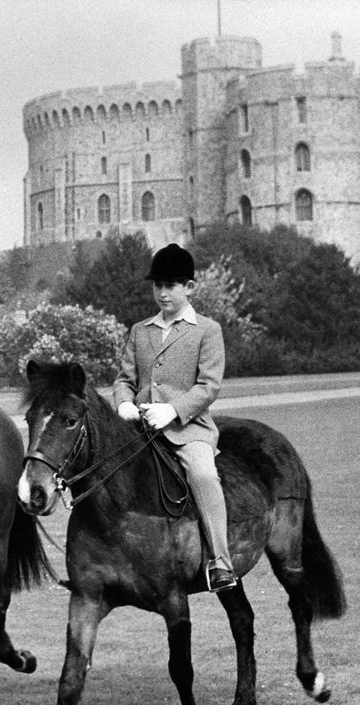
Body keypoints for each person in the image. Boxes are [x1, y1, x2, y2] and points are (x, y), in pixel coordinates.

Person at [112, 243, 237, 592]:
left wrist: (173, 410)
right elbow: (124, 379)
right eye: (158, 286)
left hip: (188, 428)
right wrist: (124, 402)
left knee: (203, 475)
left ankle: (220, 563)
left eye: (171, 285)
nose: (163, 293)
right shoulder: (140, 330)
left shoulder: (207, 330)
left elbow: (209, 386)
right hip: (140, 429)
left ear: (190, 288)